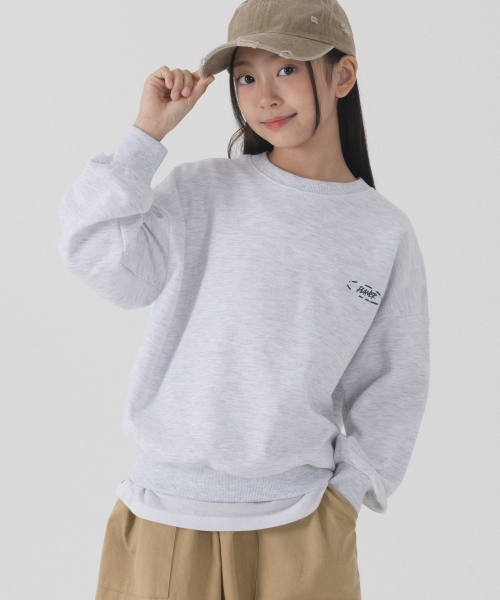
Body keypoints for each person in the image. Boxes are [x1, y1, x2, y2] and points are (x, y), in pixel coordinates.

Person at [57, 1, 430, 599]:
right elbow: (100, 259)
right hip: (165, 518)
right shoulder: (200, 190)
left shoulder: (383, 233)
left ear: (342, 75)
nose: (264, 97)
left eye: (287, 69)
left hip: (302, 530)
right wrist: (145, 135)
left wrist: (346, 499)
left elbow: (393, 385)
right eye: (246, 78)